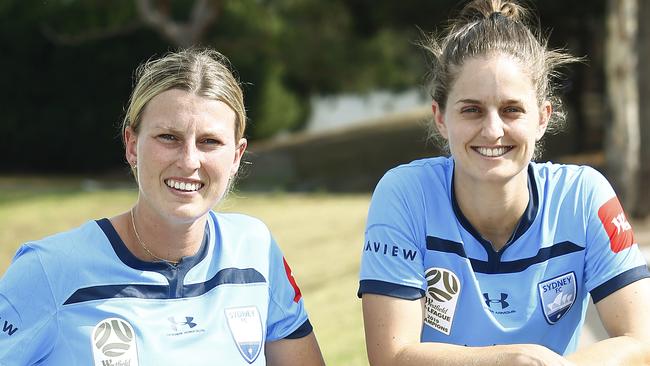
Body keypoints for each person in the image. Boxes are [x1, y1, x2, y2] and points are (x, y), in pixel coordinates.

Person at [358, 1, 650, 365]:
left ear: (543, 118)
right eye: (472, 109)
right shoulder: (404, 194)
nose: (493, 130)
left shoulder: (584, 195)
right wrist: (510, 361)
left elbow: (640, 340)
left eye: (512, 109)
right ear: (441, 118)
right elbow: (391, 356)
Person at [0, 48, 325, 366]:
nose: (188, 161)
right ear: (131, 145)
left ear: (237, 156)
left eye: (209, 141)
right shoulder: (48, 271)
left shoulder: (256, 249)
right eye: (168, 137)